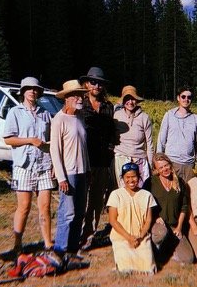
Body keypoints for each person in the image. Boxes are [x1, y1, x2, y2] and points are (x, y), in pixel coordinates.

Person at [3, 77, 55, 253]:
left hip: (44, 164)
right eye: (29, 89)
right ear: (23, 91)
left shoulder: (45, 113)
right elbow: (8, 139)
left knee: (45, 207)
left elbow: (52, 141)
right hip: (24, 165)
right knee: (24, 206)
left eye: (36, 89)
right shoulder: (15, 112)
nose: (32, 91)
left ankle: (48, 243)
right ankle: (17, 244)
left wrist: (54, 163)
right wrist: (30, 141)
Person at [50, 80, 90, 262]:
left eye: (80, 94)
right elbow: (55, 151)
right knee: (67, 212)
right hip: (69, 173)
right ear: (66, 98)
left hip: (83, 171)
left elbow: (83, 146)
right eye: (75, 95)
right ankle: (59, 250)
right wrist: (61, 177)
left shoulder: (80, 116)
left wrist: (88, 170)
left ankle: (72, 250)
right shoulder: (58, 120)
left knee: (80, 212)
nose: (79, 98)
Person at [79, 67, 116, 249]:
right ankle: (75, 234)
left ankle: (89, 234)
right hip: (82, 161)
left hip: (102, 161)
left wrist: (110, 149)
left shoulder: (108, 107)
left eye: (100, 83)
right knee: (80, 200)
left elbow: (111, 134)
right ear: (86, 83)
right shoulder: (80, 105)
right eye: (93, 82)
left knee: (96, 201)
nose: (96, 86)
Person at [143, 153, 194, 265]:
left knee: (188, 259)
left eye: (166, 165)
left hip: (175, 225)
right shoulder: (150, 182)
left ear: (170, 165)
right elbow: (144, 204)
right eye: (160, 167)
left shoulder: (179, 182)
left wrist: (179, 227)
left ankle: (169, 247)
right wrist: (155, 217)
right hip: (158, 224)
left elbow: (184, 207)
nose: (164, 169)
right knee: (160, 234)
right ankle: (155, 248)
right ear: (156, 169)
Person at [107, 162, 157, 274]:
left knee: (148, 267)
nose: (131, 180)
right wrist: (128, 237)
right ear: (122, 178)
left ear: (139, 177)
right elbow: (112, 220)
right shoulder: (115, 194)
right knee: (125, 268)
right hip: (122, 237)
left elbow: (148, 219)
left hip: (141, 237)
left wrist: (140, 236)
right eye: (127, 177)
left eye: (134, 177)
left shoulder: (146, 195)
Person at [156, 86, 197, 183]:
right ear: (178, 98)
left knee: (188, 194)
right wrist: (158, 160)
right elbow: (161, 139)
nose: (186, 99)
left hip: (189, 164)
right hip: (171, 162)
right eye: (183, 97)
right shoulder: (169, 115)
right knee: (173, 193)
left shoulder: (196, 119)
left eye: (189, 97)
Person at [113, 85, 153, 188]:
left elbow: (149, 143)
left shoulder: (144, 118)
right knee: (123, 191)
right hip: (121, 158)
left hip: (139, 158)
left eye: (133, 99)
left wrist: (151, 165)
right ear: (123, 100)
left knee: (140, 190)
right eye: (127, 99)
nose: (130, 102)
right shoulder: (117, 115)